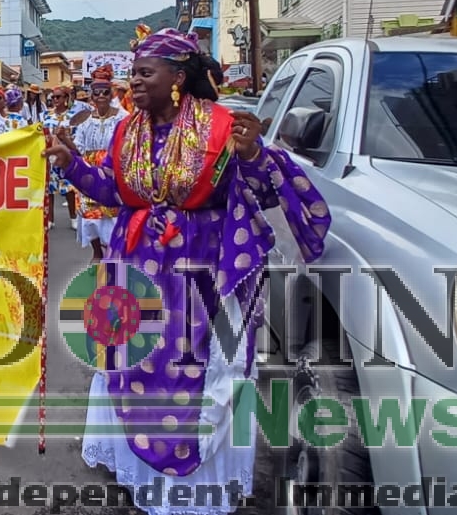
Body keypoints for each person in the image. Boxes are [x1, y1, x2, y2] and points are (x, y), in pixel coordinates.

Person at [44, 26, 330, 515]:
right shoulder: (126, 130)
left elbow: (261, 195)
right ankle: (139, 468)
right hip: (134, 267)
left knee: (192, 369)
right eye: (132, 73)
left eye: (144, 73)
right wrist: (73, 166)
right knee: (135, 363)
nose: (133, 82)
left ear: (178, 77)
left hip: (200, 270)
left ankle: (192, 489)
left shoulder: (222, 127)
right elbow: (116, 193)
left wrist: (253, 155)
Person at [67, 65, 127, 262]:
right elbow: (78, 148)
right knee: (90, 212)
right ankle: (97, 251)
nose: (101, 96)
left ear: (112, 94)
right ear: (91, 96)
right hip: (90, 170)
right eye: (97, 92)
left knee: (114, 213)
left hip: (114, 169)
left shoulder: (123, 117)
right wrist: (64, 140)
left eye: (105, 92)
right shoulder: (84, 119)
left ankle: (112, 250)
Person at [41, 86, 78, 230]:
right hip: (50, 155)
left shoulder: (72, 117)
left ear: (66, 99)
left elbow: (75, 137)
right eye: (53, 97)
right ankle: (50, 219)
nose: (55, 100)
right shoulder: (45, 115)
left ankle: (73, 217)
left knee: (69, 188)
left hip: (66, 156)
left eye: (58, 97)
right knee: (49, 189)